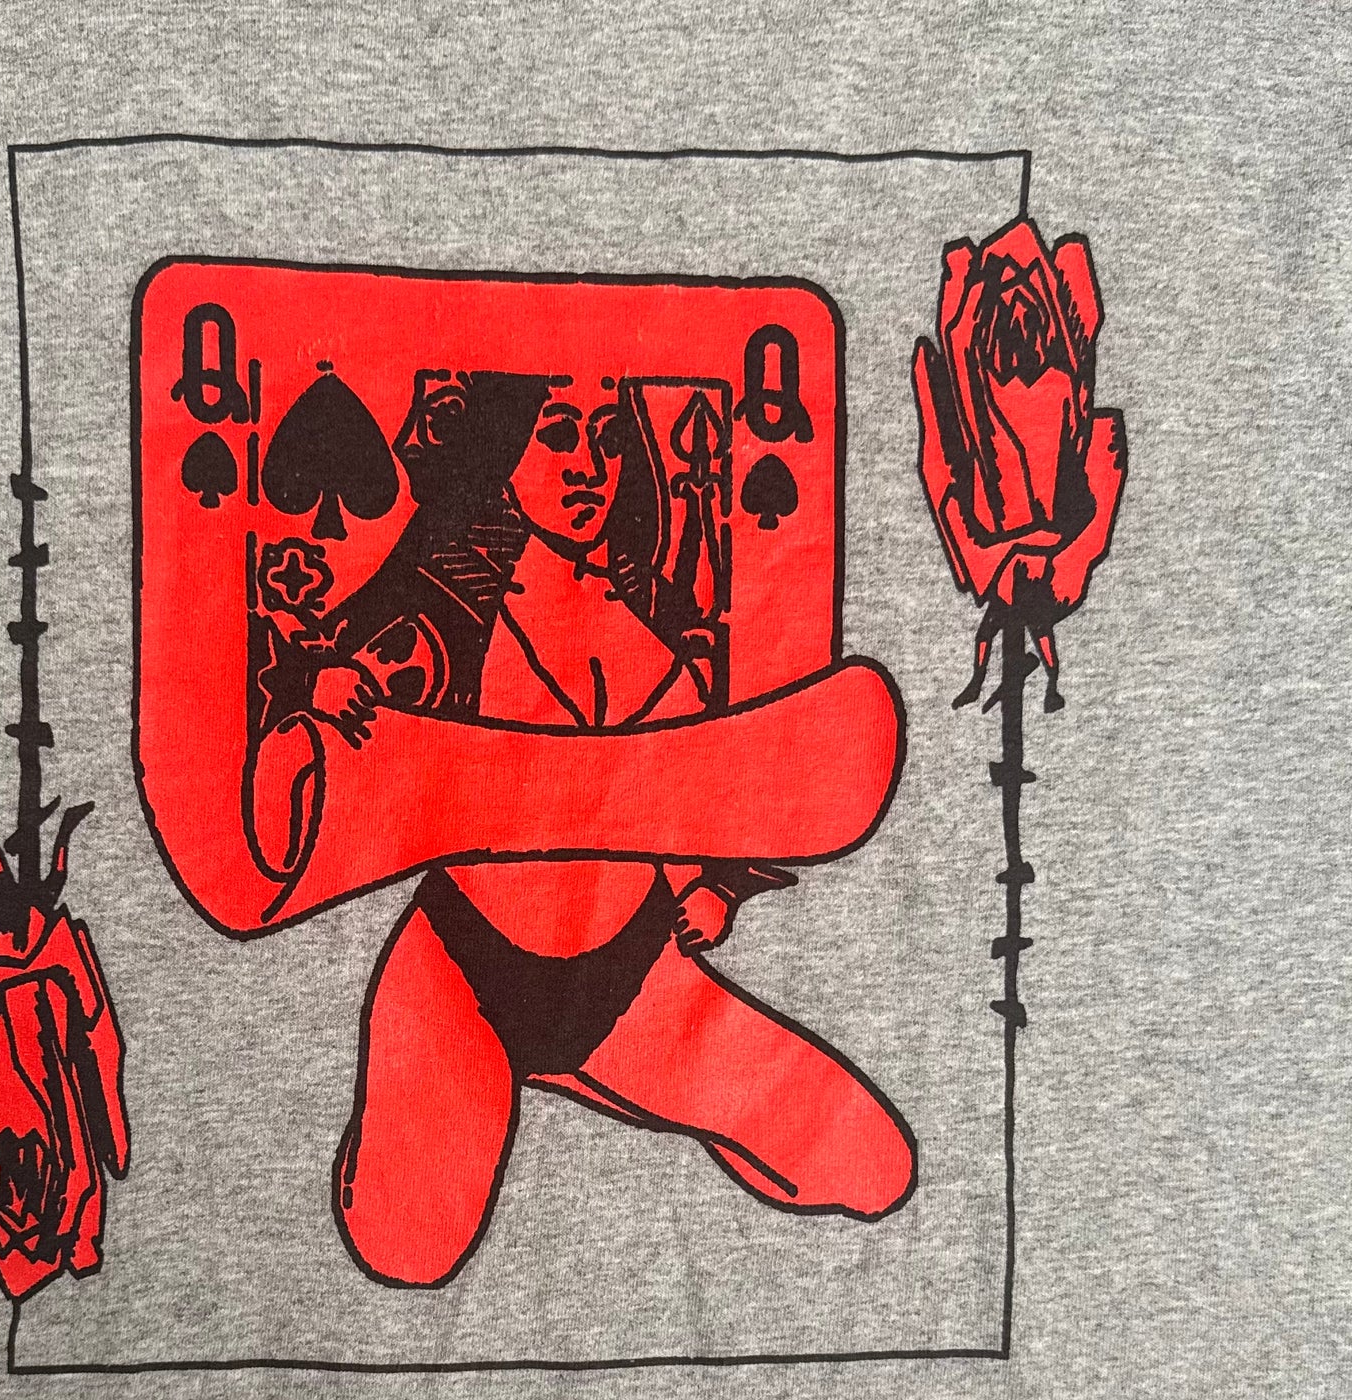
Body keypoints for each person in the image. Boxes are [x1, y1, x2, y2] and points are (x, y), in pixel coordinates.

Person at [292, 363, 916, 1287]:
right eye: (557, 435)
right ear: (504, 449)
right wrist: (325, 684)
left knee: (874, 1168)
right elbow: (317, 683)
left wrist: (716, 886)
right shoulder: (446, 605)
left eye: (609, 438)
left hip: (634, 978)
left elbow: (728, 782)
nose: (588, 464)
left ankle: (580, 1072)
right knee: (404, 1246)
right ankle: (475, 1085)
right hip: (464, 973)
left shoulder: (663, 617)